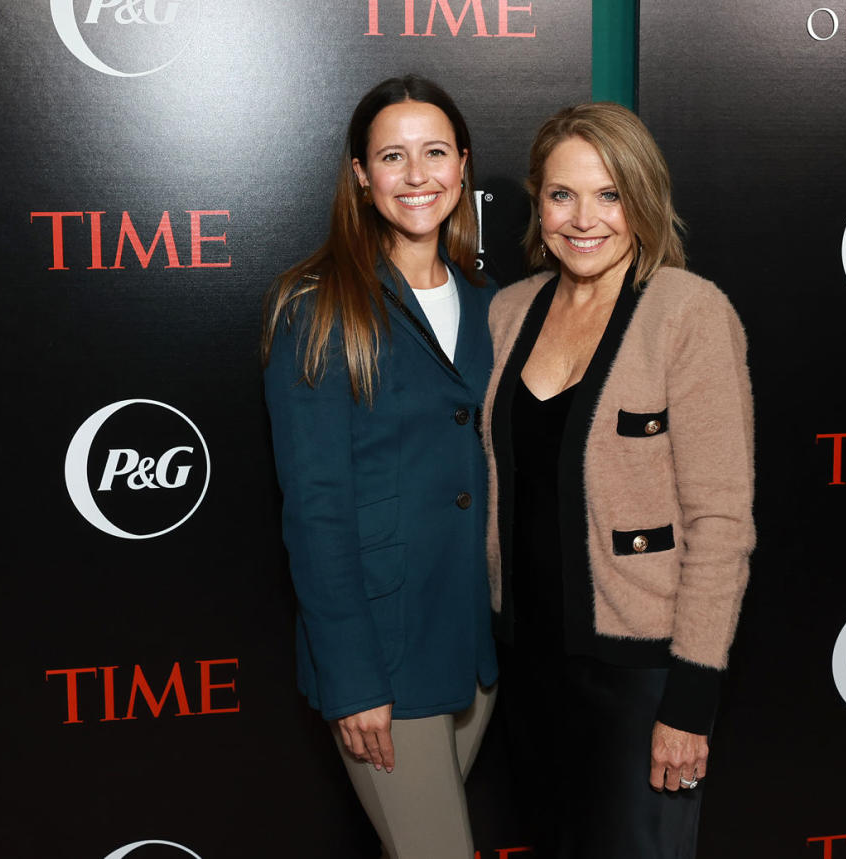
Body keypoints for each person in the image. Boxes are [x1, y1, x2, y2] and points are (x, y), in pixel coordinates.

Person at [480, 102, 755, 857]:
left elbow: (721, 521)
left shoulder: (687, 312)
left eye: (609, 195)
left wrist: (690, 700)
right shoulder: (509, 312)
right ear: (539, 202)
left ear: (643, 198)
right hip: (524, 668)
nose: (583, 219)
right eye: (562, 194)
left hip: (640, 676)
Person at [262, 74, 498, 859]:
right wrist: (354, 677)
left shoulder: (490, 302)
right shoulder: (319, 305)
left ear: (462, 165)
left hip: (473, 652)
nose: (418, 174)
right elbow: (316, 508)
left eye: (435, 152)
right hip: (384, 657)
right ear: (362, 177)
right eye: (392, 156)